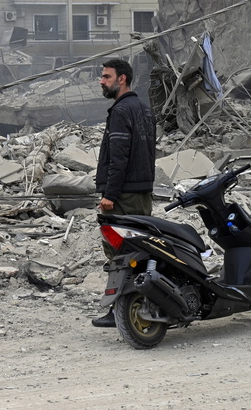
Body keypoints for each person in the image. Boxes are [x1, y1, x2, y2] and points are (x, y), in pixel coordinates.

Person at [91, 58, 157, 328]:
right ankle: (144, 304)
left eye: (106, 77)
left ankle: (119, 310)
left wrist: (109, 195)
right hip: (142, 194)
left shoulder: (120, 112)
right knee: (141, 252)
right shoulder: (144, 109)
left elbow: (119, 159)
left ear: (122, 79)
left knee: (120, 257)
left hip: (123, 196)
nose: (101, 81)